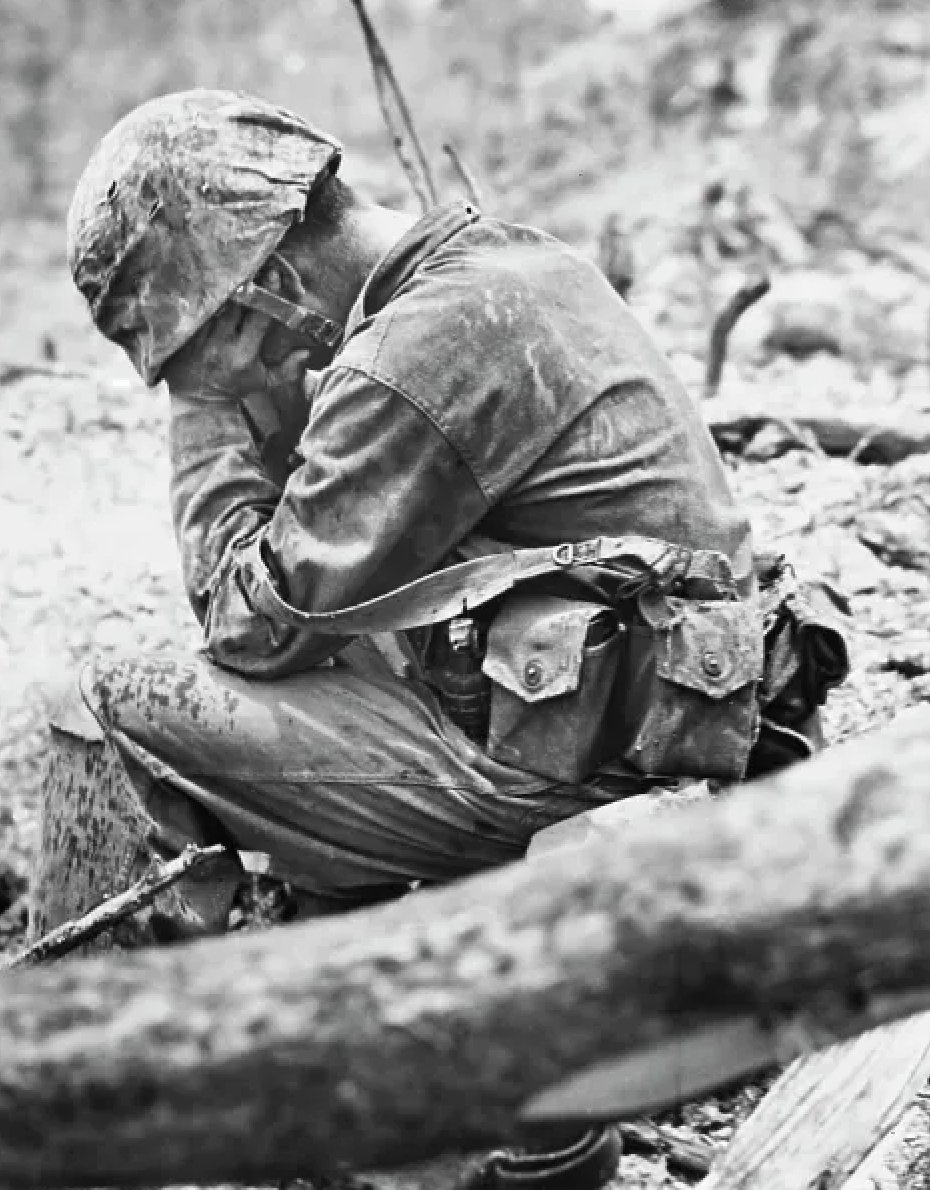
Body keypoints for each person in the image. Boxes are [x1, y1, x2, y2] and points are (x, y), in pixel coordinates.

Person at [34, 86, 766, 949]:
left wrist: (206, 409)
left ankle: (96, 1039)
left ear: (269, 285)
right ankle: (335, 929)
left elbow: (247, 626)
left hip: (606, 769)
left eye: (197, 352)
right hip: (669, 720)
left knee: (110, 705)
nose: (212, 378)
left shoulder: (409, 358)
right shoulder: (496, 268)